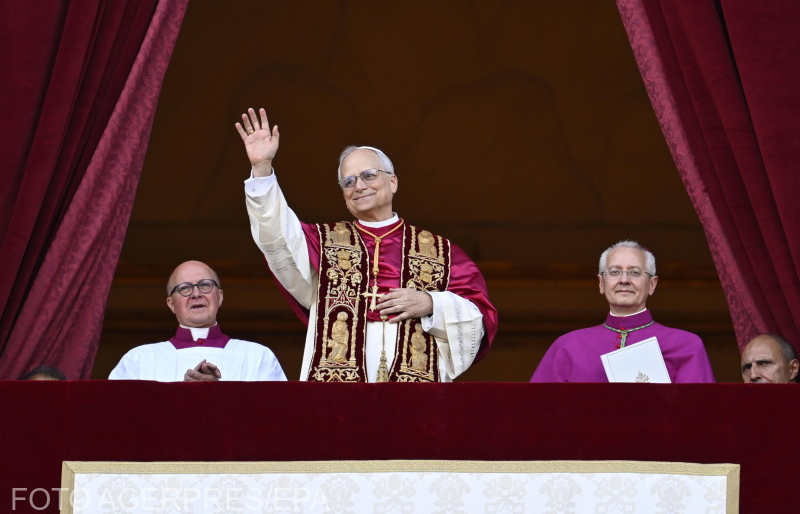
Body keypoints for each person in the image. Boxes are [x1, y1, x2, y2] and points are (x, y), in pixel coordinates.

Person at [236, 108, 498, 382]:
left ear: (393, 182)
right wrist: (261, 169)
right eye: (348, 181)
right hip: (338, 398)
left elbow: (480, 318)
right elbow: (275, 233)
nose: (359, 185)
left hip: (414, 399)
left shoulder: (441, 252)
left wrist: (432, 302)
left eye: (369, 175)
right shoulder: (322, 243)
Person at [530, 240, 714, 383]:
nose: (624, 280)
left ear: (652, 284)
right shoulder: (567, 346)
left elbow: (700, 414)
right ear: (601, 283)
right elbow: (536, 410)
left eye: (634, 272)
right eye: (615, 272)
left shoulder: (686, 346)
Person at [109, 260, 286, 382]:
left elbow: (274, 418)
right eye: (184, 288)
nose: (196, 294)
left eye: (205, 285)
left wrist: (217, 395)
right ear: (171, 304)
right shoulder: (139, 360)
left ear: (220, 296)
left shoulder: (258, 357)